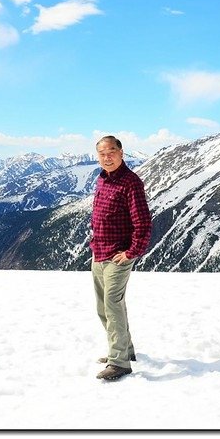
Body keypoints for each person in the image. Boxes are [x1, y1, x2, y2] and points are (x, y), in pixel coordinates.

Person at [90, 135, 152, 381]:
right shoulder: (102, 179)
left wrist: (131, 252)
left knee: (112, 306)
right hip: (99, 252)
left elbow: (143, 223)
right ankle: (124, 350)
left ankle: (120, 362)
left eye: (112, 151)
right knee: (104, 308)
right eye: (102, 153)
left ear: (121, 152)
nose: (107, 157)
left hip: (118, 256)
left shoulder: (130, 182)